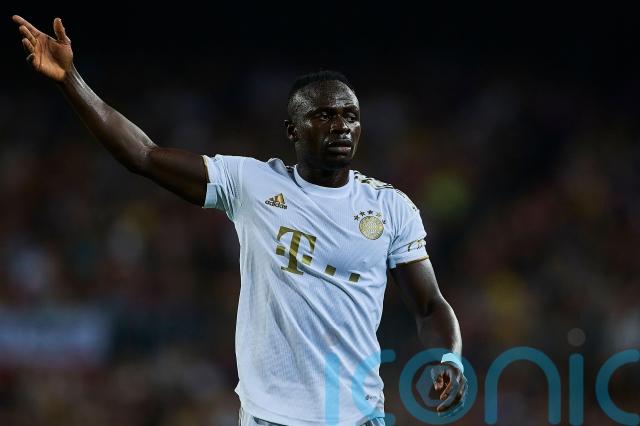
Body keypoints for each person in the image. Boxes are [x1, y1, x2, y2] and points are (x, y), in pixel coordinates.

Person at [12, 15, 468, 426]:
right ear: (292, 129)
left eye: (351, 116)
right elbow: (144, 156)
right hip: (269, 417)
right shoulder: (251, 183)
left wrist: (449, 358)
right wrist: (71, 80)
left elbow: (429, 305)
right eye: (324, 115)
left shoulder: (391, 208)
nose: (341, 126)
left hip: (359, 416)